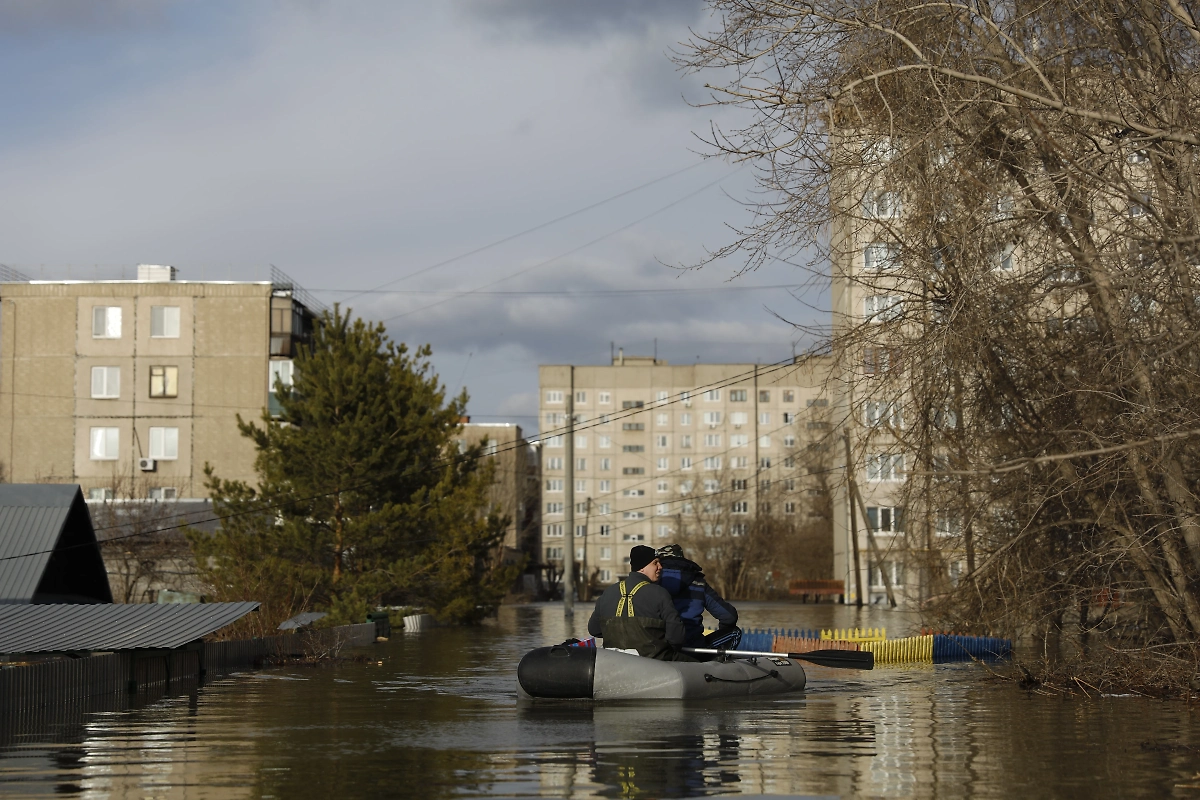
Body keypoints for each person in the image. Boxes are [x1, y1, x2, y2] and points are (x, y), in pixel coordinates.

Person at [587, 545, 696, 661]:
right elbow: (677, 638)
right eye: (655, 563)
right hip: (656, 663)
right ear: (642, 567)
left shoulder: (608, 592)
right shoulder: (660, 593)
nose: (660, 567)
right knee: (696, 664)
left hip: (615, 662)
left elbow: (594, 630)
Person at [655, 543, 741, 652]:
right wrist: (723, 628)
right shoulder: (699, 583)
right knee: (735, 632)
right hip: (694, 647)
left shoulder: (652, 581)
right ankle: (718, 662)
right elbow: (729, 616)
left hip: (661, 648)